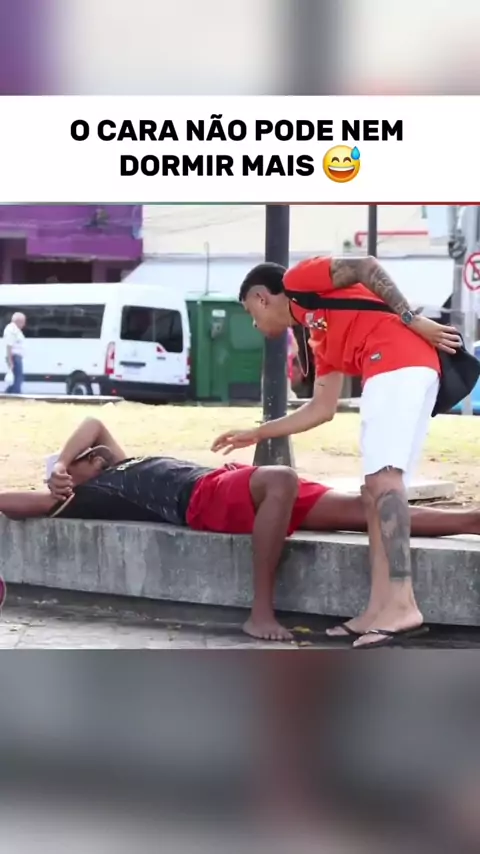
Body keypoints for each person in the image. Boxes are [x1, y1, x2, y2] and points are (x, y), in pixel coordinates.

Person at [1, 418, 479, 642]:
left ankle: (470, 521)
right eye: (82, 461)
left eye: (87, 455)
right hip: (203, 499)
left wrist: (63, 462)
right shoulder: (91, 494)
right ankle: (261, 612)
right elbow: (23, 505)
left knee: (364, 510)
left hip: (227, 482)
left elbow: (92, 423)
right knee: (281, 477)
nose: (92, 456)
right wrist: (58, 483)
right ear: (73, 483)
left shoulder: (119, 463)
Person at [211, 255, 463, 648]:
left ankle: (401, 604)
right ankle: (379, 608)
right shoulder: (317, 333)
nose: (254, 324)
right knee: (374, 492)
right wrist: (257, 433)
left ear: (262, 298)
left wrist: (411, 319)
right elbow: (321, 408)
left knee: (383, 482)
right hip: (404, 369)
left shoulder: (299, 280)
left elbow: (365, 266)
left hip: (396, 362)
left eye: (250, 313)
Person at [3, 312, 26, 394]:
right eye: (23, 322)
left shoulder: (15, 329)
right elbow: (9, 346)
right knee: (18, 379)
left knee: (16, 379)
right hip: (14, 357)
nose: (24, 324)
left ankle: (7, 395)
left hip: (16, 357)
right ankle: (16, 395)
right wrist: (10, 362)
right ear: (18, 321)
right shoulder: (11, 330)